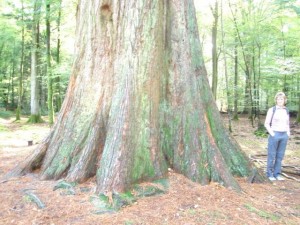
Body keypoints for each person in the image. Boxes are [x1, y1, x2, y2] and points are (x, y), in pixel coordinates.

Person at [264, 92, 290, 181]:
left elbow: (287, 123)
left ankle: (277, 173)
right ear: (276, 100)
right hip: (275, 134)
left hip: (284, 135)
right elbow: (266, 123)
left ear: (284, 100)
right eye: (278, 99)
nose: (280, 100)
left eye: (281, 99)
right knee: (272, 155)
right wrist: (273, 134)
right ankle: (269, 174)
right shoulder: (272, 110)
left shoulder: (286, 110)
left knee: (280, 156)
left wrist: (288, 133)